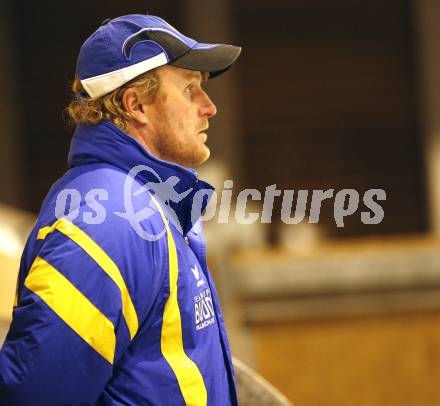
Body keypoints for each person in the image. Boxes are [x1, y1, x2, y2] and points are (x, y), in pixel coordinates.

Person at [0, 14, 241, 405]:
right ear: (136, 105)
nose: (209, 107)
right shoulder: (107, 222)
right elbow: (36, 395)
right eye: (189, 90)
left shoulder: (149, 205)